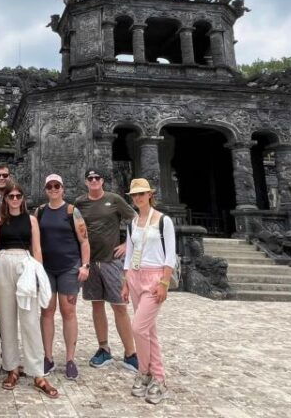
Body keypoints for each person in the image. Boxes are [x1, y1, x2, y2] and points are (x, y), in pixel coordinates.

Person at [0, 182, 58, 398]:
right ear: (5, 198)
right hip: (2, 263)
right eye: (11, 196)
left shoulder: (31, 220)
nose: (14, 199)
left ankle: (37, 372)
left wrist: (39, 276)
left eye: (18, 195)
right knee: (6, 320)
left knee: (29, 319)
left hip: (25, 264)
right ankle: (12, 367)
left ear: (23, 198)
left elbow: (37, 248)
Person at [74, 168, 138, 371]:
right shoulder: (79, 203)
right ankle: (103, 348)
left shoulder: (114, 199)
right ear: (86, 182)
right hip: (90, 262)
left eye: (97, 178)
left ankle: (131, 353)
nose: (93, 181)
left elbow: (136, 220)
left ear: (102, 181)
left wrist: (128, 245)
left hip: (111, 261)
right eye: (90, 178)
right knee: (97, 305)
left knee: (119, 305)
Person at [120, 178, 175, 405]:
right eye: (134, 195)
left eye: (142, 194)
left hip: (154, 278)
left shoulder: (164, 221)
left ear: (150, 195)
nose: (138, 198)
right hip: (135, 276)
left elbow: (170, 254)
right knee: (149, 331)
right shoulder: (133, 223)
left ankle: (152, 373)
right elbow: (129, 252)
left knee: (138, 327)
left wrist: (164, 283)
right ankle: (150, 376)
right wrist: (125, 282)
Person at [37, 174, 91, 380]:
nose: (53, 189)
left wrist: (85, 265)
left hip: (69, 267)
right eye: (49, 186)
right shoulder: (40, 211)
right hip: (47, 269)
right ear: (46, 189)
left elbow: (84, 241)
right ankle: (48, 357)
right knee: (47, 311)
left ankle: (70, 359)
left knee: (68, 311)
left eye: (56, 185)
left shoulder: (71, 211)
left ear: (62, 188)